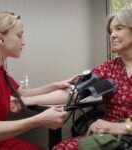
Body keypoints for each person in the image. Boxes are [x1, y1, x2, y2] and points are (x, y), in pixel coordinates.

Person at [0, 11, 80, 150]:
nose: (24, 42)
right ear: (0, 39)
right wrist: (38, 120)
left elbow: (23, 93)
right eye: (19, 35)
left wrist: (57, 84)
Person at [52, 8, 132, 150]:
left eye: (118, 29)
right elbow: (74, 92)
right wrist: (27, 100)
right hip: (106, 137)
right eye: (111, 31)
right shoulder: (109, 67)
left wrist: (121, 127)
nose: (112, 35)